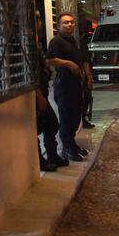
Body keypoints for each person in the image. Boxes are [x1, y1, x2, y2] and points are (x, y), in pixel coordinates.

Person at [46, 12, 89, 162]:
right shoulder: (56, 41)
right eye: (65, 22)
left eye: (71, 22)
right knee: (67, 117)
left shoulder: (71, 40)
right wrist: (68, 64)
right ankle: (67, 149)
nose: (69, 25)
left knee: (75, 116)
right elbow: (50, 60)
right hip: (64, 84)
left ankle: (72, 144)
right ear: (58, 26)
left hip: (75, 84)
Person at [35, 10, 69, 171]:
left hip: (41, 90)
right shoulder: (26, 42)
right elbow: (29, 72)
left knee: (50, 125)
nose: (38, 23)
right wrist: (38, 95)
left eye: (39, 19)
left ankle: (51, 157)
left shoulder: (35, 41)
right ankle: (43, 161)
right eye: (36, 19)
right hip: (35, 94)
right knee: (46, 125)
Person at [79, 31, 95, 129]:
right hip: (82, 76)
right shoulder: (80, 43)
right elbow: (85, 61)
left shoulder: (78, 42)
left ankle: (82, 119)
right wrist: (89, 77)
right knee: (85, 97)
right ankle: (82, 120)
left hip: (82, 75)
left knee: (86, 97)